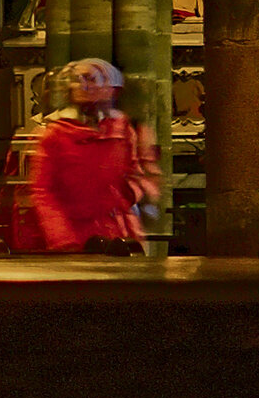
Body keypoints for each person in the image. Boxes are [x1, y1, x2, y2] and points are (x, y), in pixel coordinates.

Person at [14, 57, 159, 254]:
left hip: (117, 232)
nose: (83, 86)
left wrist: (128, 197)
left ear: (111, 88)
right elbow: (42, 190)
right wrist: (62, 237)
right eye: (78, 79)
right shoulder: (55, 134)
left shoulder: (123, 131)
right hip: (72, 235)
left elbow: (136, 173)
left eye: (91, 79)